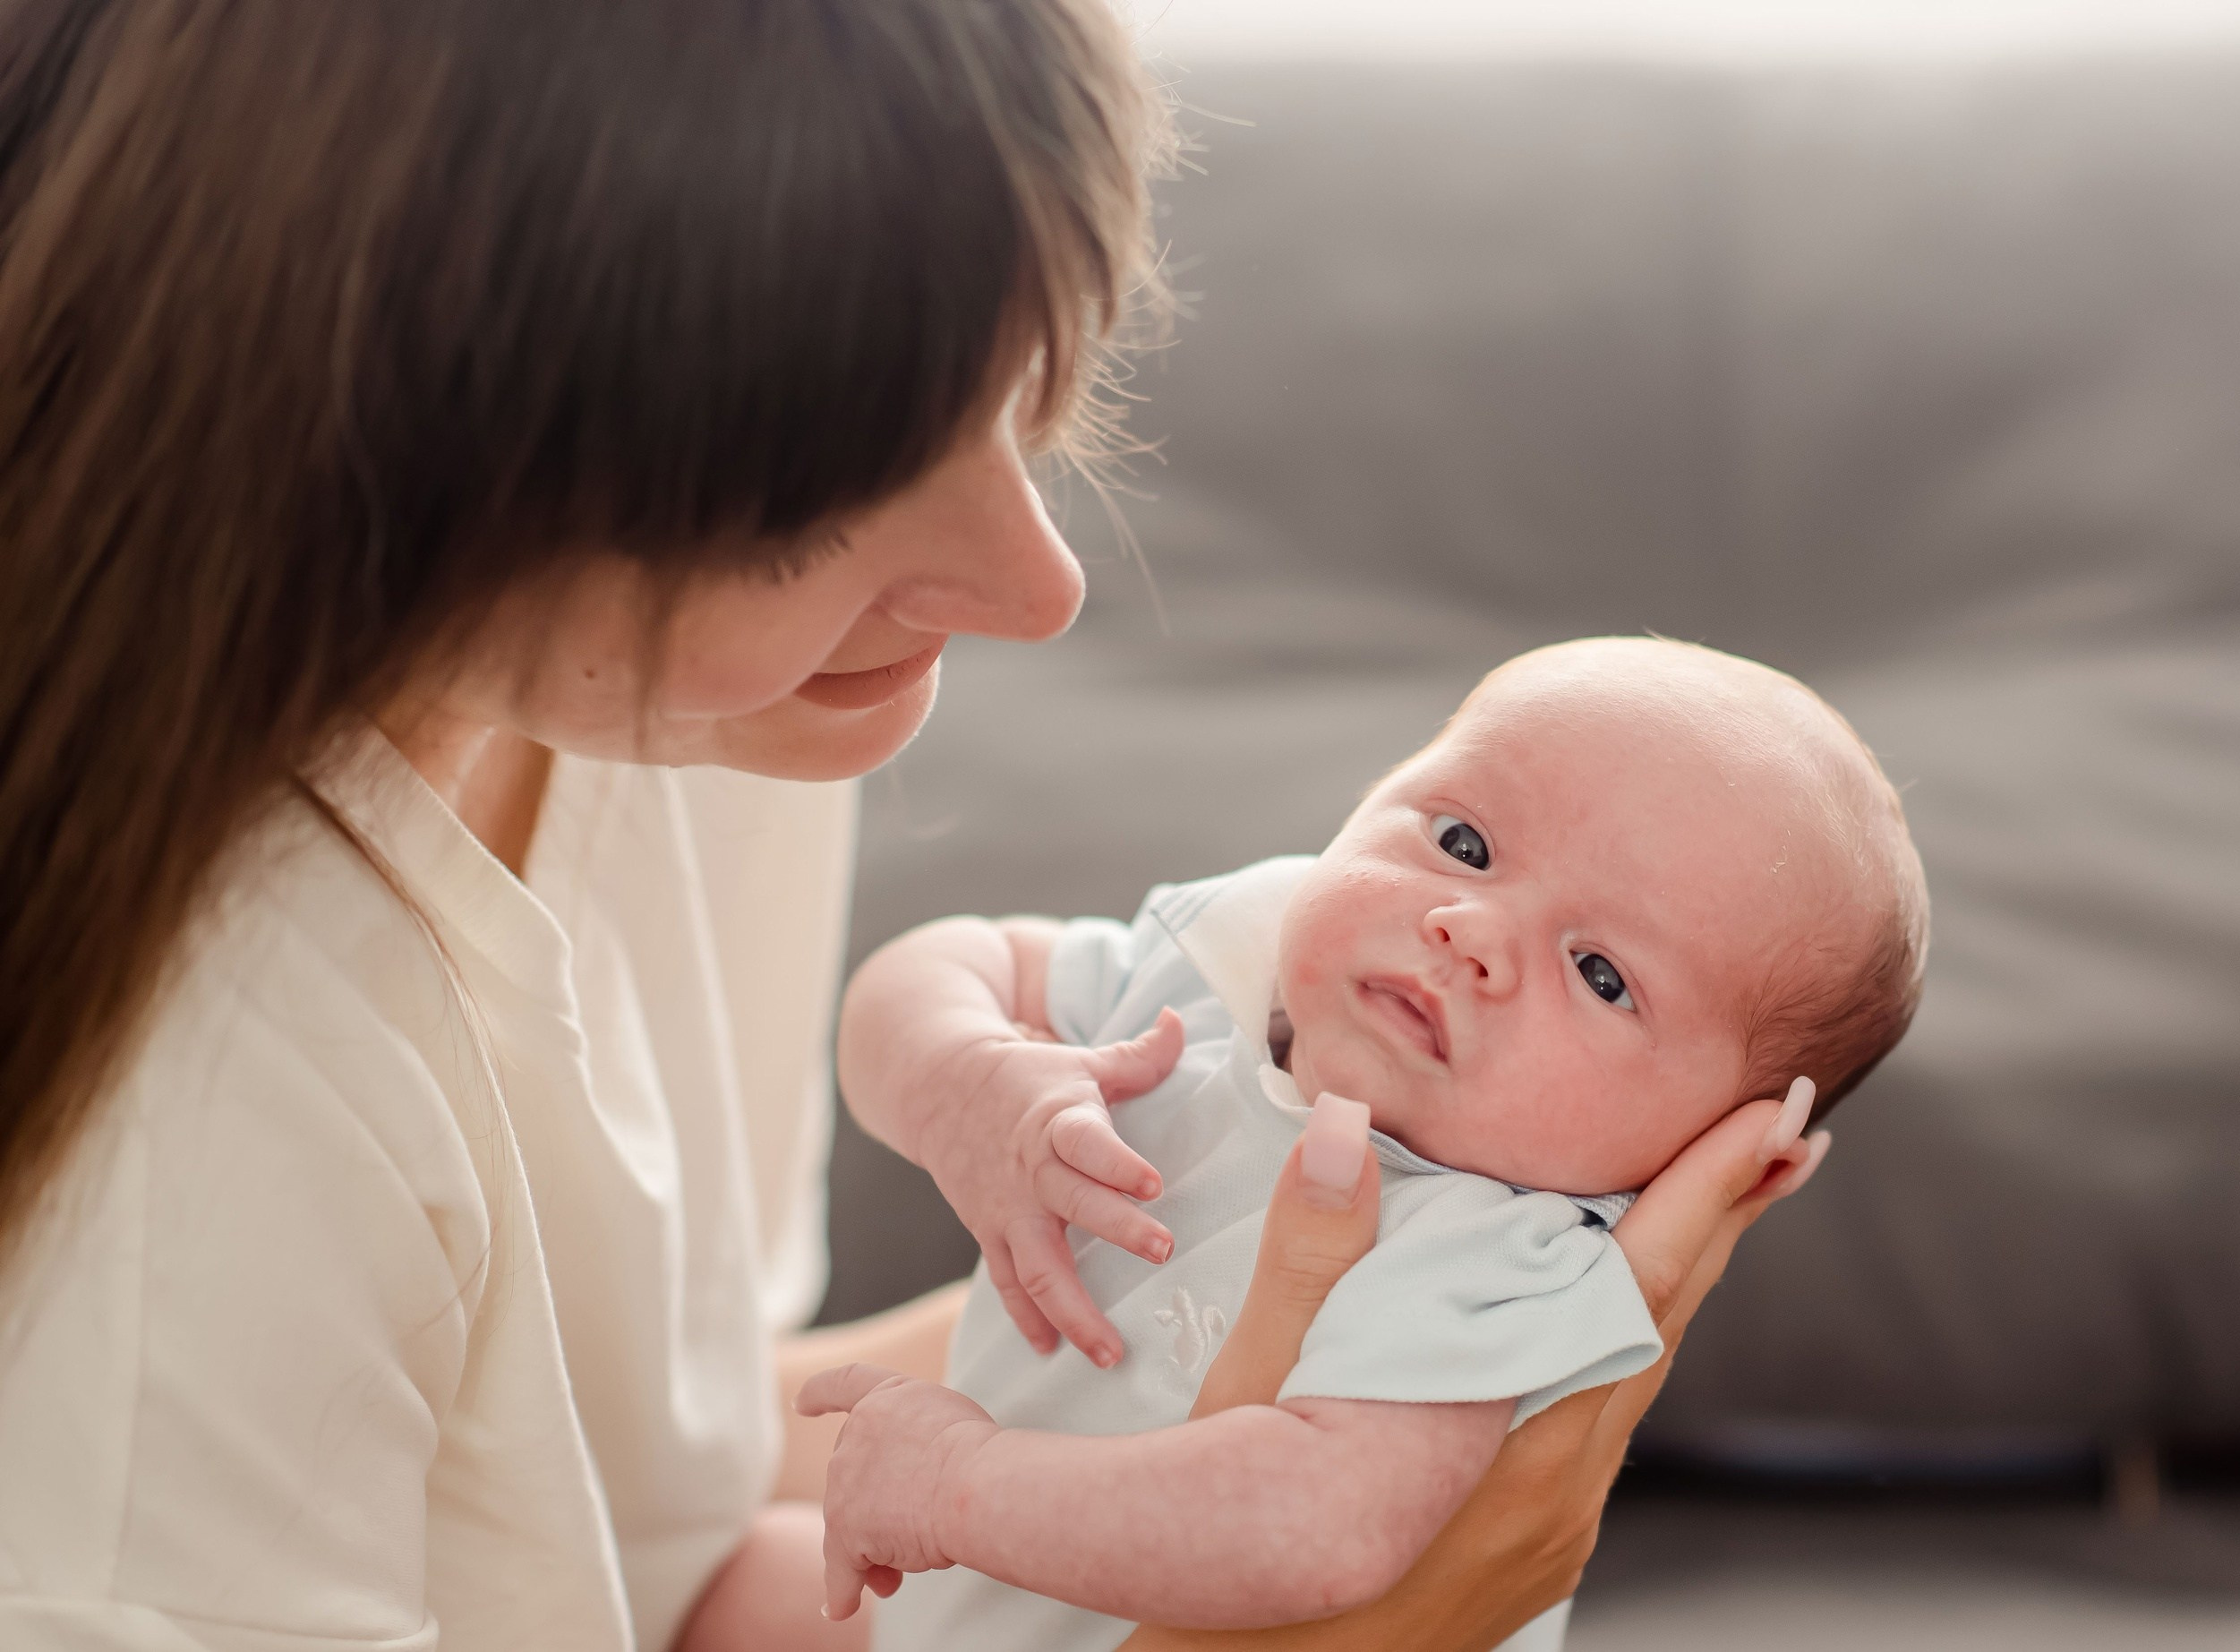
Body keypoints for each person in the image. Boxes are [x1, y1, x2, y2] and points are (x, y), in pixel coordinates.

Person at [0, 4, 1825, 1649]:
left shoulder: (705, 711)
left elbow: (596, 1454)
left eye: (1018, 393)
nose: (1039, 590)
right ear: (394, 473)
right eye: (817, 507)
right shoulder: (197, 1150)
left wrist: (1081, 1385)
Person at [801, 638, 1922, 1650]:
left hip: (976, 1550)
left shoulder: (1499, 1255)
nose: (1470, 931)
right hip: (932, 1603)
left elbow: (1316, 1531)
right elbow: (959, 963)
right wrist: (957, 1074)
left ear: (1720, 1150)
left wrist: (958, 1487)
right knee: (727, 1585)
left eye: (1601, 975)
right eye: (1463, 842)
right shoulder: (1233, 964)